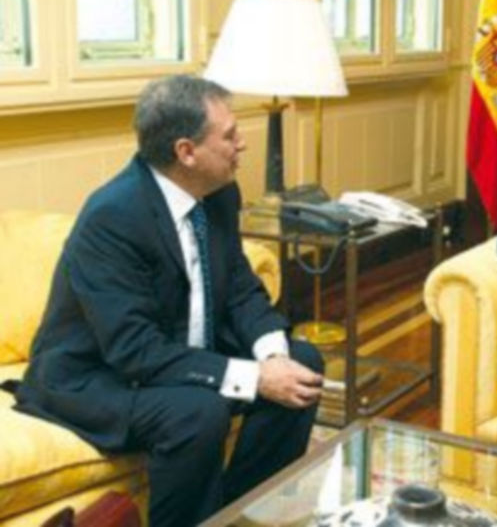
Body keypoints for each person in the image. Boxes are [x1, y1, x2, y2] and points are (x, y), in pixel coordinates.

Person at [15, 75, 324, 526]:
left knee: (303, 364)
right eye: (230, 135)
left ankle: (238, 514)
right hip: (98, 373)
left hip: (175, 354)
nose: (242, 144)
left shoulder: (218, 193)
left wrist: (273, 360)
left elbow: (240, 289)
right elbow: (134, 351)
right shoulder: (113, 217)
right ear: (186, 151)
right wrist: (254, 377)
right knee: (198, 412)